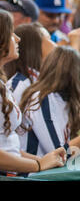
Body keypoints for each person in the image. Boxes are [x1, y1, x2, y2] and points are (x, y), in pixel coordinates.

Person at [0, 9, 66, 176]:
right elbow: (63, 148)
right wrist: (38, 165)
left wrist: (38, 161)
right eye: (11, 33)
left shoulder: (5, 84)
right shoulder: (25, 87)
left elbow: (10, 147)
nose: (17, 39)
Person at [4, 22, 56, 105]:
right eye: (48, 39)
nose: (54, 45)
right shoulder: (19, 86)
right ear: (33, 47)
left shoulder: (41, 78)